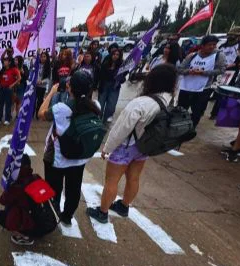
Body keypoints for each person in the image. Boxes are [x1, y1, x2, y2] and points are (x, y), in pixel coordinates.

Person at [88, 64, 180, 224]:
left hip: (126, 146)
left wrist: (107, 147)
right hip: (144, 146)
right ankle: (124, 206)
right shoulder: (169, 100)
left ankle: (102, 212)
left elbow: (121, 128)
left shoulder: (141, 103)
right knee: (134, 178)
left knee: (112, 180)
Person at [38, 70, 98, 230]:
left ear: (70, 88)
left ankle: (52, 214)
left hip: (58, 158)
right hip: (79, 157)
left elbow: (41, 113)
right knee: (74, 188)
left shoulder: (61, 108)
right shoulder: (95, 106)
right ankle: (67, 217)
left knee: (53, 189)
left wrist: (51, 92)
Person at [177, 35, 226, 128]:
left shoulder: (219, 56)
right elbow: (180, 69)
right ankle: (178, 128)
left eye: (214, 45)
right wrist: (189, 71)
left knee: (197, 112)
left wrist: (203, 73)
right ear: (202, 45)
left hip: (203, 89)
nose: (212, 47)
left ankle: (191, 129)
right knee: (181, 110)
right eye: (209, 44)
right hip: (186, 88)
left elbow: (221, 70)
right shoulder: (192, 55)